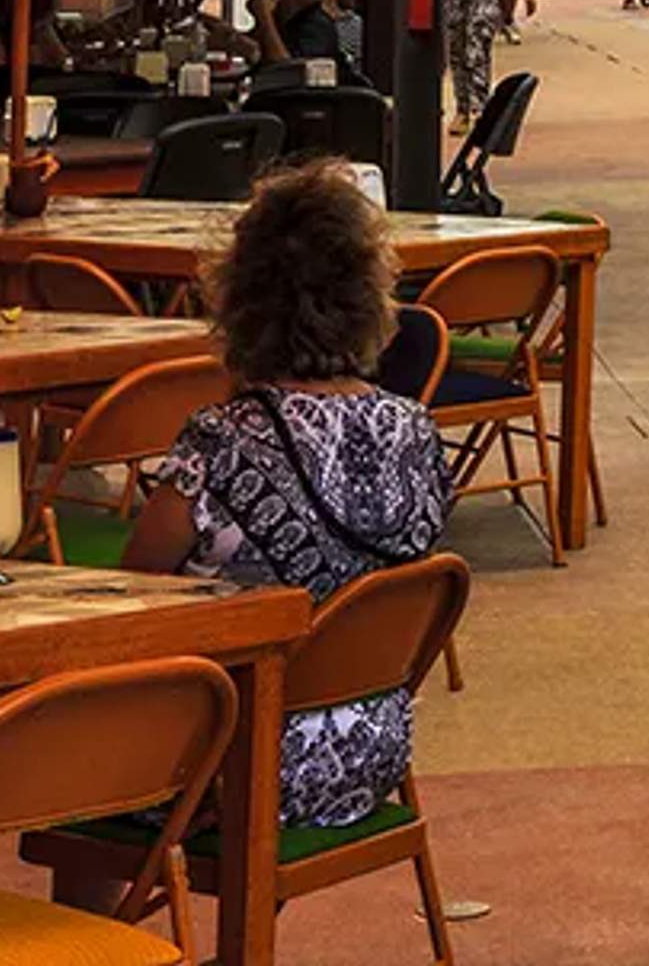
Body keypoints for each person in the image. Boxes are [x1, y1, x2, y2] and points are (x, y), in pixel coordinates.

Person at [128, 163, 453, 832]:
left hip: (233, 761)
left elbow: (134, 591)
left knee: (64, 727)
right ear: (371, 299)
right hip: (372, 746)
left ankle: (93, 924)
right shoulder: (414, 430)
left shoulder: (220, 440)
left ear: (238, 299)